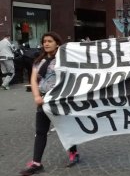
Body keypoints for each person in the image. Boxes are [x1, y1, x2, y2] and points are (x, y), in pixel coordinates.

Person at [19, 32, 79, 176]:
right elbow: (34, 80)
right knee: (40, 131)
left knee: (66, 128)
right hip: (43, 100)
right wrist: (36, 96)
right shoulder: (39, 61)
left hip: (60, 100)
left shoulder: (64, 60)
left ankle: (73, 152)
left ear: (57, 43)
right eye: (44, 41)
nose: (46, 43)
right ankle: (36, 163)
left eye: (50, 41)